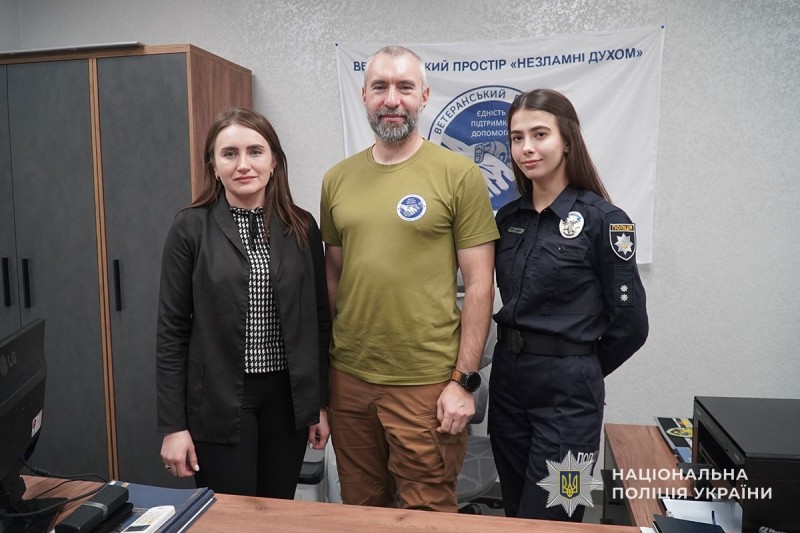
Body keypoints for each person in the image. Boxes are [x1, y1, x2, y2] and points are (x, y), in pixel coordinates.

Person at [320, 45, 498, 512]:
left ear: (424, 96)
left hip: (426, 383)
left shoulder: (458, 174)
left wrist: (464, 381)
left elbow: (480, 285)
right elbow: (333, 277)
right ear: (364, 95)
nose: (392, 99)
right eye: (380, 87)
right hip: (349, 381)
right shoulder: (337, 179)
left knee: (427, 512)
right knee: (362, 510)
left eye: (404, 87)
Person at [489, 88, 649, 521]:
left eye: (539, 134)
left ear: (567, 141)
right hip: (508, 383)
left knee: (558, 513)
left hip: (569, 395)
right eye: (517, 137)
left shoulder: (606, 221)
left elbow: (631, 325)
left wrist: (582, 369)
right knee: (515, 512)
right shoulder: (508, 219)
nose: (526, 147)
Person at [156, 108, 330, 498]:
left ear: (274, 162)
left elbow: (318, 320)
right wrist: (173, 426)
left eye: (255, 151)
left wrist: (319, 404)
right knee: (230, 515)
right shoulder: (190, 227)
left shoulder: (302, 227)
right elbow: (172, 332)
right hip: (217, 399)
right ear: (213, 166)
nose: (243, 164)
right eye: (229, 153)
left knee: (276, 510)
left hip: (287, 401)